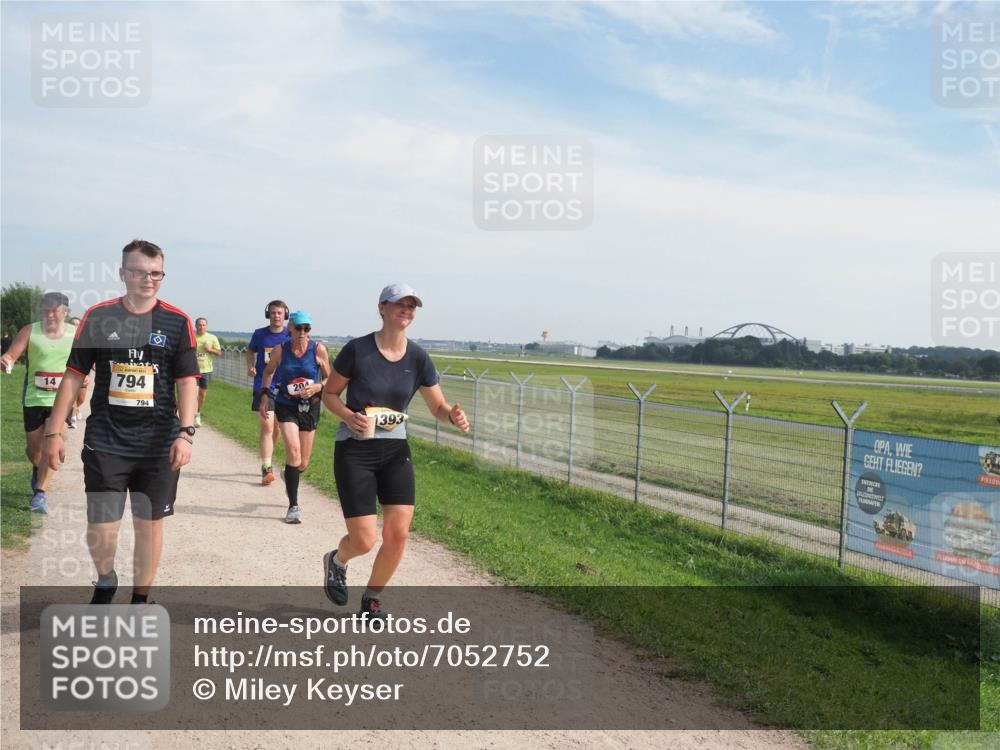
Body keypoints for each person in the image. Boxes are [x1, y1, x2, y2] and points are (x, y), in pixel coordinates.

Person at [43, 239, 199, 605]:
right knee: (101, 529)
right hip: (107, 441)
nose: (149, 279)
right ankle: (106, 577)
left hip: (158, 444)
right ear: (123, 274)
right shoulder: (99, 317)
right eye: (141, 272)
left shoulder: (177, 322)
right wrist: (54, 430)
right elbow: (72, 376)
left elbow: (187, 382)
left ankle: (140, 599)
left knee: (149, 527)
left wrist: (186, 433)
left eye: (156, 273)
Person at [321, 283, 469, 620]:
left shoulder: (418, 357)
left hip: (394, 449)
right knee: (363, 540)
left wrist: (453, 416)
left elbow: (438, 408)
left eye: (411, 306)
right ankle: (337, 560)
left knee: (398, 532)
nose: (406, 310)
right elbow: (329, 395)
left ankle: (372, 599)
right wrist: (349, 416)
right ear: (382, 308)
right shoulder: (357, 350)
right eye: (399, 304)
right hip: (355, 449)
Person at [0, 292, 76, 513]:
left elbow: (88, 361)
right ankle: (39, 467)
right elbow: (11, 356)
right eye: (46, 309)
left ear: (65, 312)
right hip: (34, 397)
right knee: (35, 450)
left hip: (62, 398)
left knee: (52, 443)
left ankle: (40, 494)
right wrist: (6, 361)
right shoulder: (30, 330)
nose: (50, 314)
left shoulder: (76, 334)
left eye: (55, 310)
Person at [260, 311, 330, 524]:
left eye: (306, 328)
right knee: (294, 452)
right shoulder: (281, 350)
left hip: (310, 407)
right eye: (298, 328)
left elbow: (330, 378)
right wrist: (265, 395)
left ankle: (289, 473)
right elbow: (268, 373)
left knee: (302, 462)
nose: (302, 332)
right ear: (290, 328)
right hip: (286, 405)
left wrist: (318, 386)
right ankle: (293, 506)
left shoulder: (318, 350)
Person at [247, 300, 290, 485]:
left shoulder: (291, 334)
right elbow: (250, 350)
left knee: (277, 429)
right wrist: (250, 365)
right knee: (267, 425)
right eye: (273, 313)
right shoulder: (260, 334)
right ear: (268, 314)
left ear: (285, 315)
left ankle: (269, 456)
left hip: (285, 387)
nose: (276, 316)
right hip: (264, 386)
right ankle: (267, 468)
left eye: (279, 313)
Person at [194, 317, 222, 428]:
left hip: (206, 370)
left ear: (206, 326)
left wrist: (209, 350)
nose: (202, 327)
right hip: (192, 369)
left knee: (202, 394)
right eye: (199, 325)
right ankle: (191, 414)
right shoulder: (191, 336)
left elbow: (219, 352)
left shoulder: (212, 337)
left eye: (204, 325)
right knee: (193, 393)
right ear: (196, 326)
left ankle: (198, 412)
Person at [65, 316, 89, 429]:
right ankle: (72, 418)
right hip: (68, 372)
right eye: (73, 324)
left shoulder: (84, 340)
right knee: (72, 396)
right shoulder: (64, 338)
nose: (76, 326)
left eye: (78, 324)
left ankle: (75, 409)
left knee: (81, 398)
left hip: (83, 373)